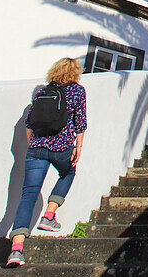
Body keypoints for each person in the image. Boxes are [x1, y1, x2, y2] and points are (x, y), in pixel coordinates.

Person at [6, 57, 87, 268]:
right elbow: (80, 123)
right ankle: (49, 215)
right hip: (61, 148)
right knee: (68, 173)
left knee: (28, 195)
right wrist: (78, 147)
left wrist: (32, 145)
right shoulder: (77, 91)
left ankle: (16, 249)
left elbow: (28, 123)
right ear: (75, 72)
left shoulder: (43, 92)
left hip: (36, 148)